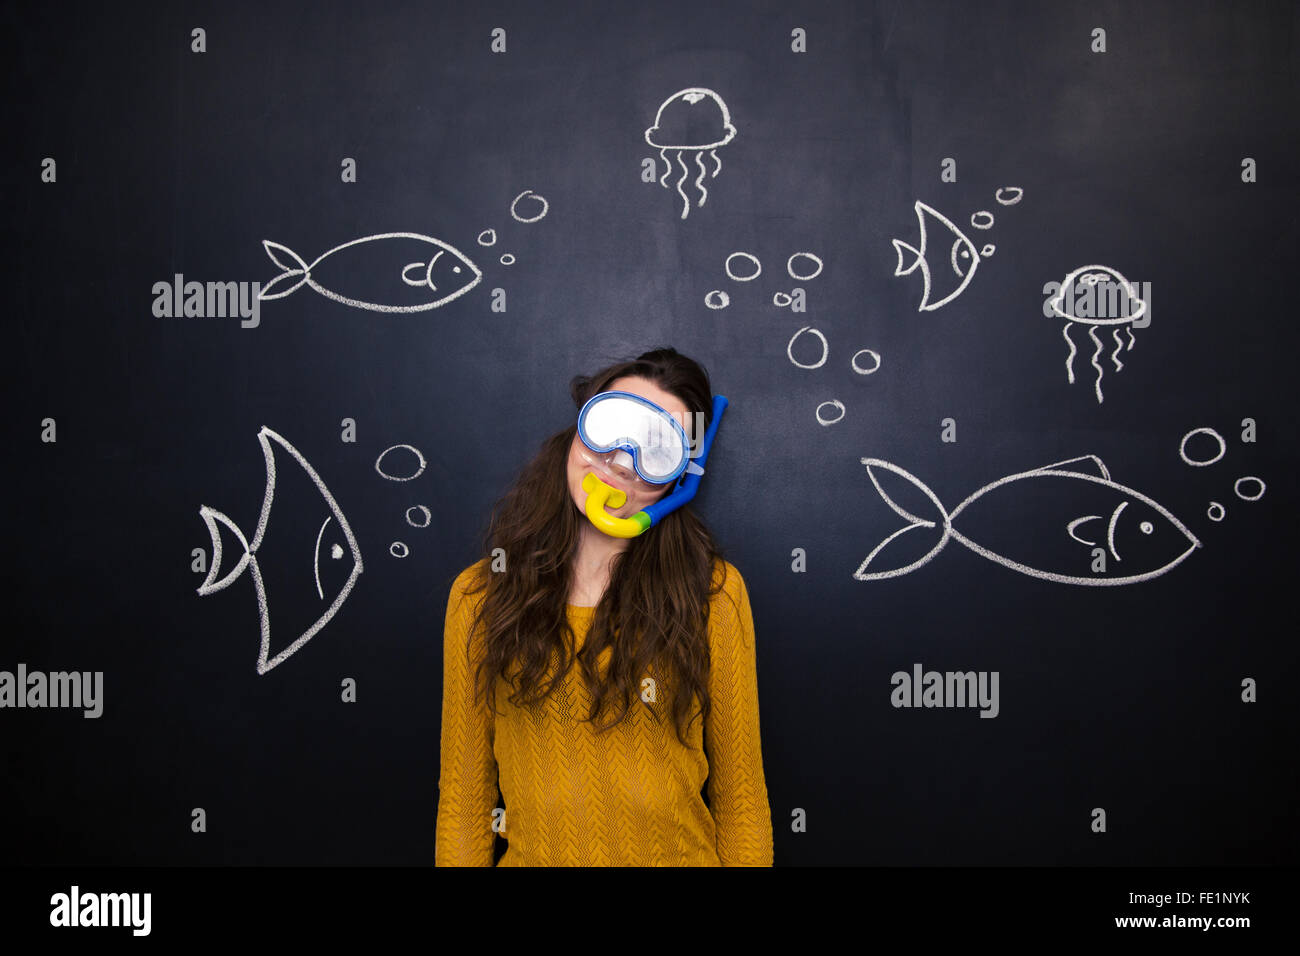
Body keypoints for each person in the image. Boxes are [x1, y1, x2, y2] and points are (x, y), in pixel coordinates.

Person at [435, 347, 773, 866]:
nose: (619, 462)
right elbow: (465, 805)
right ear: (579, 427)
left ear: (681, 478)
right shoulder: (479, 598)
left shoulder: (714, 595)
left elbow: (742, 803)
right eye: (612, 424)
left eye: (655, 449)